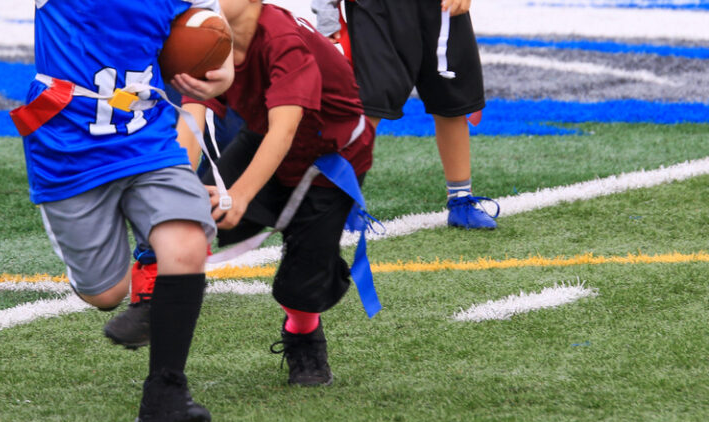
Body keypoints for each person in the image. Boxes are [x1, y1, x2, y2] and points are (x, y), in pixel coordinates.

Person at [0, 0, 233, 422]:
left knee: (185, 244)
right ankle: (110, 278)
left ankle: (166, 396)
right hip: (68, 146)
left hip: (144, 135)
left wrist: (223, 70)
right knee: (106, 294)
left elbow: (209, 23)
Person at [106, 0, 375, 387]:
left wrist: (242, 195)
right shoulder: (209, 36)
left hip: (330, 157)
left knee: (300, 285)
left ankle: (303, 333)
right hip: (264, 136)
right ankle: (154, 299)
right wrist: (175, 185)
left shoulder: (281, 38)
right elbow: (192, 118)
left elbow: (287, 127)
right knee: (189, 215)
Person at [312, 0, 500, 229]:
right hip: (377, 8)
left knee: (452, 99)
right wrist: (326, 16)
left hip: (439, 7)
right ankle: (340, 203)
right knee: (370, 102)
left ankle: (461, 197)